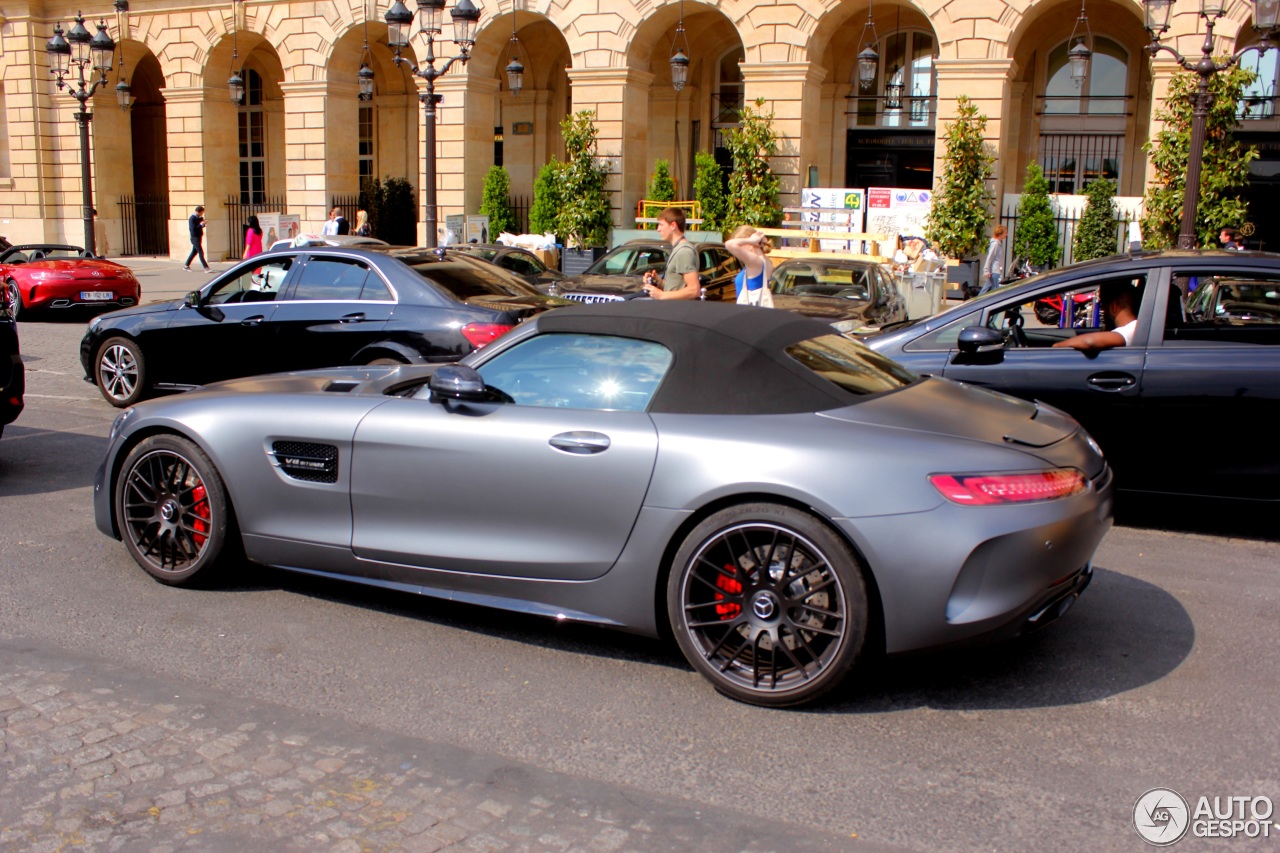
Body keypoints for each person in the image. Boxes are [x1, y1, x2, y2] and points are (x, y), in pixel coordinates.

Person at [1052, 281, 1138, 352]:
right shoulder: (1136, 326)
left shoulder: (1132, 329)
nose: (1103, 311)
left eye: (1102, 306)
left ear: (1113, 307)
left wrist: (1057, 346)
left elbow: (1089, 342)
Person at [642, 207, 700, 300]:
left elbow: (694, 290)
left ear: (673, 225)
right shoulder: (678, 249)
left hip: (679, 312)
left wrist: (661, 295)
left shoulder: (684, 251)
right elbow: (676, 287)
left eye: (661, 225)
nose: (658, 229)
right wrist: (658, 281)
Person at [724, 225, 775, 307]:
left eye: (741, 244)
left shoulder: (755, 261)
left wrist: (750, 240)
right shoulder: (765, 261)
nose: (739, 248)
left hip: (749, 312)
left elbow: (729, 245)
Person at [979, 224, 1007, 295]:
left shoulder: (998, 243)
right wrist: (986, 270)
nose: (1006, 235)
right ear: (1000, 234)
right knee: (996, 292)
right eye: (1005, 233)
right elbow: (990, 257)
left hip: (995, 271)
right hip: (995, 271)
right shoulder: (995, 244)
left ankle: (976, 302)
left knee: (985, 290)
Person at [183, 205, 212, 272]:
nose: (202, 214)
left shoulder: (199, 218)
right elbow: (193, 229)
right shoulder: (192, 218)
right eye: (201, 213)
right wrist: (201, 224)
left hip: (199, 236)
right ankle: (206, 268)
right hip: (194, 237)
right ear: (198, 212)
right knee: (200, 252)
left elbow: (200, 226)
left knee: (194, 252)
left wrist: (203, 223)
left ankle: (186, 266)